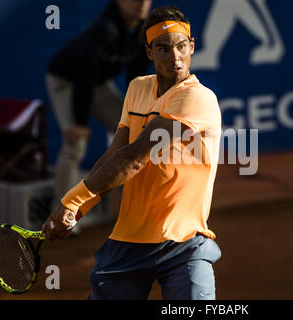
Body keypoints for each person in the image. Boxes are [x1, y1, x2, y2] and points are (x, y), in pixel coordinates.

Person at [43, 5, 222, 300]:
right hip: (128, 241)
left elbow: (134, 159)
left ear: (192, 46)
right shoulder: (137, 89)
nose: (174, 57)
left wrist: (72, 199)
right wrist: (78, 208)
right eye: (163, 49)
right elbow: (115, 154)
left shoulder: (197, 98)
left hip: (184, 243)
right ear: (149, 52)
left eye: (180, 47)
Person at [46, 0, 152, 216]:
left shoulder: (144, 31)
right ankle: (61, 214)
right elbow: (84, 77)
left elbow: (136, 78)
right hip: (66, 82)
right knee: (76, 143)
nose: (141, 2)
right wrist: (79, 123)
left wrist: (137, 114)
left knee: (133, 136)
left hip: (99, 84)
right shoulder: (104, 29)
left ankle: (128, 212)